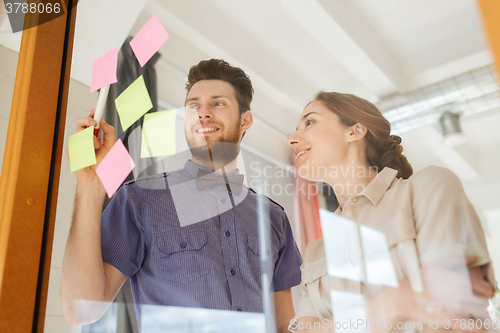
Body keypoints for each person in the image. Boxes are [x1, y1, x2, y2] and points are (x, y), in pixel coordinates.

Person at [61, 59, 302, 332]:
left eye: (218, 103)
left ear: (245, 120)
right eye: (193, 105)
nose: (203, 113)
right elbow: (78, 310)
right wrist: (89, 185)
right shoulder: (139, 200)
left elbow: (285, 326)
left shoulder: (274, 217)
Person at [286, 91, 495, 332]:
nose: (291, 139)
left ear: (354, 131)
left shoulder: (429, 187)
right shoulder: (315, 253)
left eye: (309, 122)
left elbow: (453, 312)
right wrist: (395, 301)